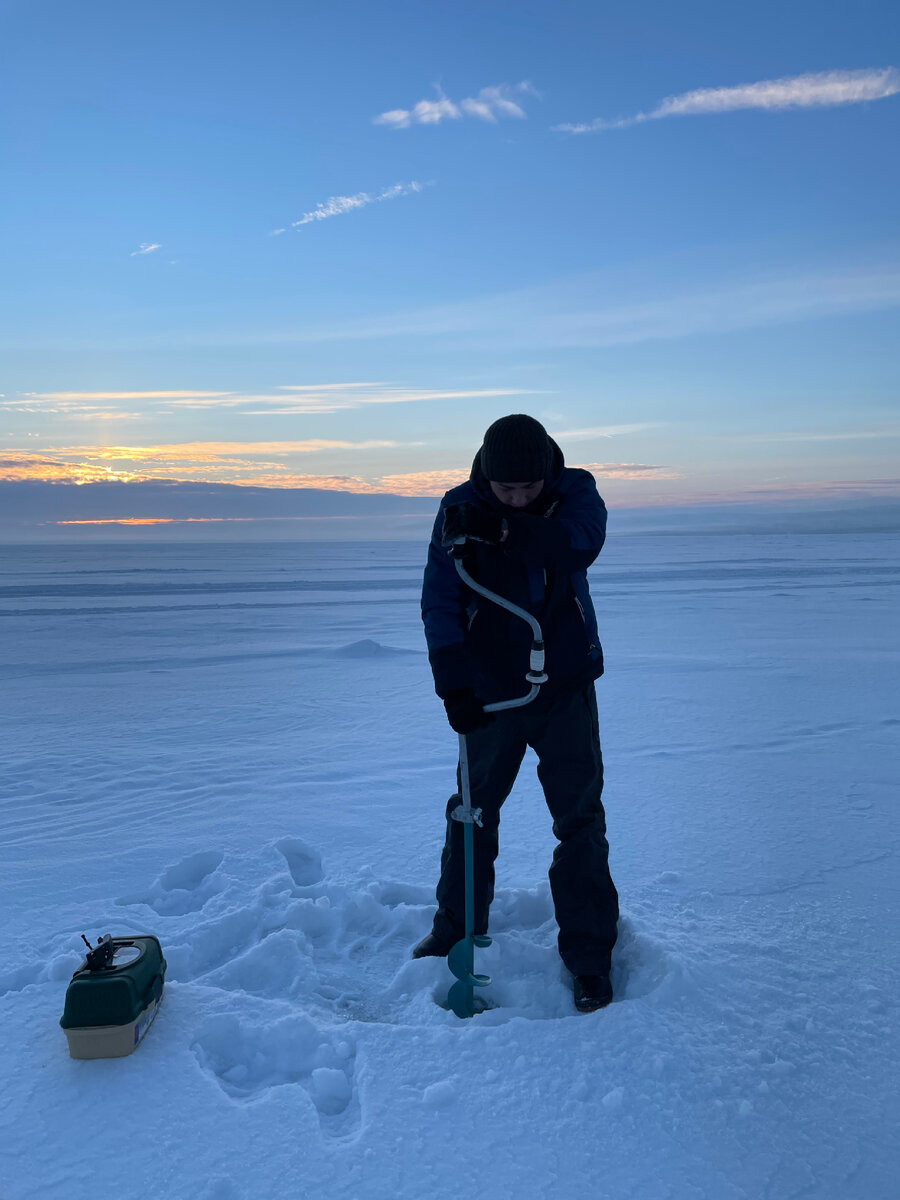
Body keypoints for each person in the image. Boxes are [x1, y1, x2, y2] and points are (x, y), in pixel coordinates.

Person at [415, 413, 619, 1012]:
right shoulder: (457, 508)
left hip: (564, 691)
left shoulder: (575, 492)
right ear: (485, 474)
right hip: (490, 693)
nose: (519, 498)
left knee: (580, 820)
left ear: (547, 471)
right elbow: (439, 595)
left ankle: (589, 956)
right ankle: (457, 925)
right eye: (506, 492)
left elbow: (579, 545)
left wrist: (506, 529)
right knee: (471, 812)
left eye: (528, 489)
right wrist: (451, 680)